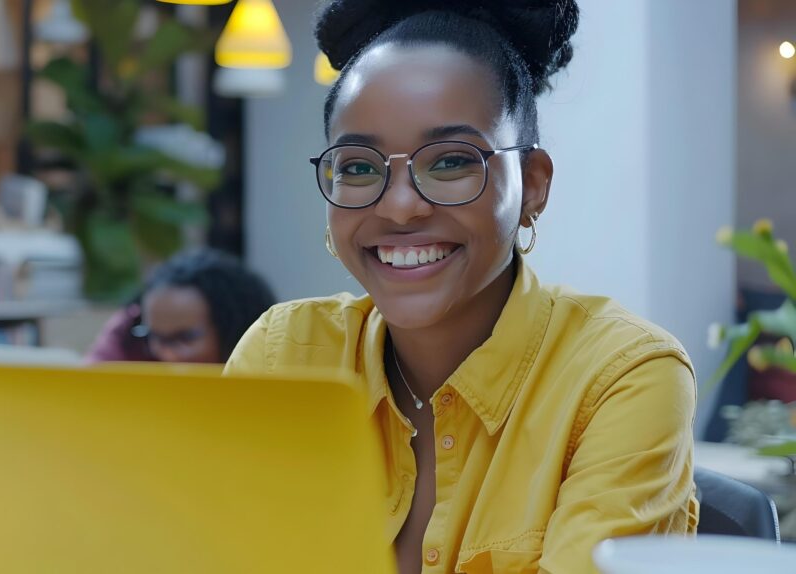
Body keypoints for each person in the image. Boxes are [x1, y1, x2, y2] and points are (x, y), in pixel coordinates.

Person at [224, 1, 698, 573]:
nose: (400, 207)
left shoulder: (622, 378)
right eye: (357, 167)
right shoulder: (286, 356)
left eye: (451, 162)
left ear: (532, 187)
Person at [87, 249, 276, 364]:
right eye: (156, 337)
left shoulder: (268, 355)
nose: (168, 354)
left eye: (185, 337)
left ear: (233, 330)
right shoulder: (127, 333)